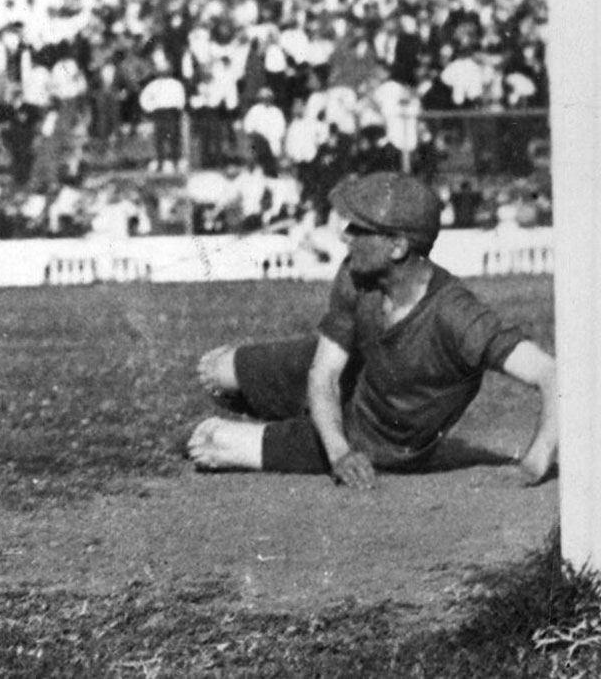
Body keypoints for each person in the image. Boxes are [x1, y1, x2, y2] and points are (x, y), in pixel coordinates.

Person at [186, 171, 558, 488]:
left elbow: (552, 375)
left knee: (208, 441)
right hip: (355, 378)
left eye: (358, 229)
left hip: (378, 438)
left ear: (396, 246)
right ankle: (284, 411)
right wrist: (339, 454)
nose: (345, 236)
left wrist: (535, 461)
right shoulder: (356, 275)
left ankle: (284, 423)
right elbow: (325, 373)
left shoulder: (457, 315)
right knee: (217, 370)